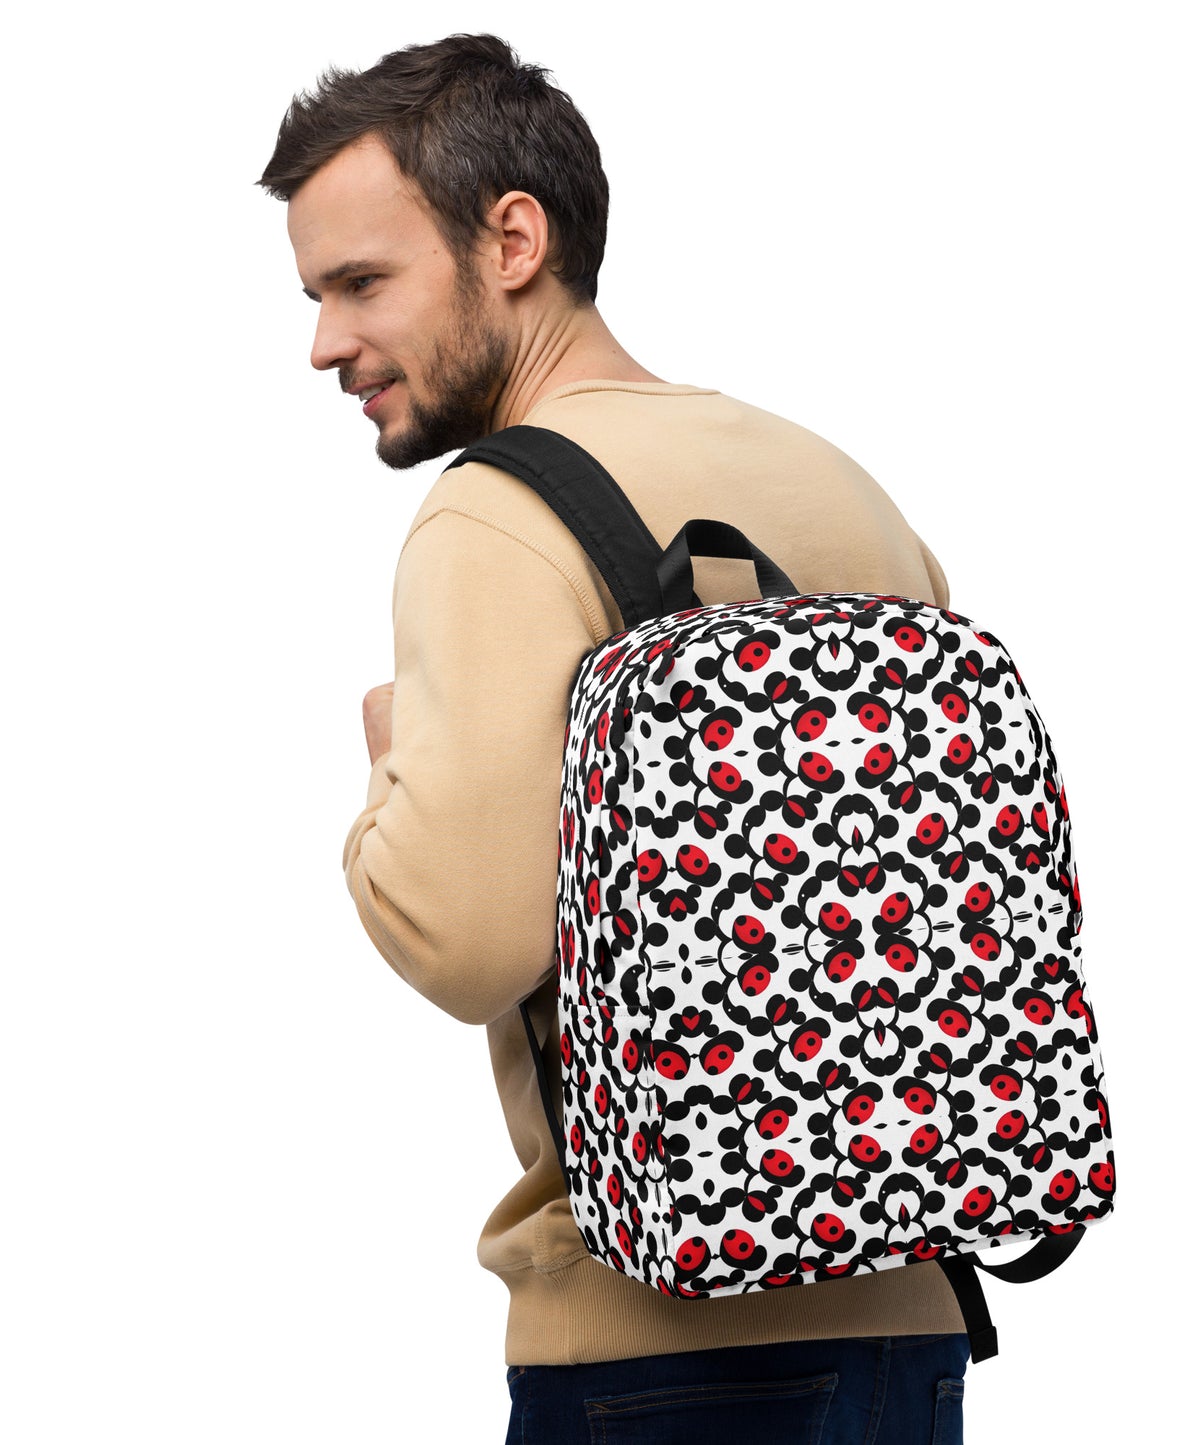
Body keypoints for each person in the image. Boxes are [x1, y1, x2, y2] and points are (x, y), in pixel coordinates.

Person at [259, 33, 969, 1444]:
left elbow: (469, 940)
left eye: (361, 283)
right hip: (908, 1320)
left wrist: (387, 767)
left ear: (512, 241)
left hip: (649, 1347)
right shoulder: (834, 482)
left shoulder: (496, 515)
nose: (325, 343)